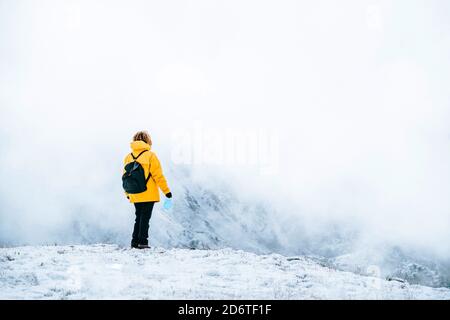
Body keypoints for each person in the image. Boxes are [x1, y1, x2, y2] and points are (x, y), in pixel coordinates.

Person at [123, 130, 172, 249]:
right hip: (148, 193)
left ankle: (134, 242)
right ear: (148, 140)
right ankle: (143, 242)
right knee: (145, 218)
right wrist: (166, 191)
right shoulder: (151, 155)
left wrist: (127, 193)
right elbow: (158, 175)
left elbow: (125, 176)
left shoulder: (128, 157)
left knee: (138, 217)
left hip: (134, 192)